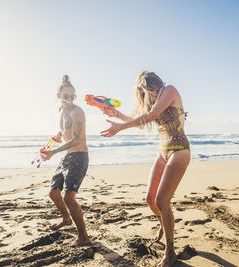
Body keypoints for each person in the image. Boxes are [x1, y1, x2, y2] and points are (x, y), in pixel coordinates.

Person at [101, 71, 190, 267]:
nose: (148, 95)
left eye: (149, 91)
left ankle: (170, 250)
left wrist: (119, 128)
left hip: (179, 150)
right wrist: (118, 115)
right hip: (162, 152)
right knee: (150, 199)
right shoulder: (153, 101)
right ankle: (163, 225)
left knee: (161, 200)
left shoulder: (169, 90)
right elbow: (143, 123)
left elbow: (152, 115)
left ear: (155, 84)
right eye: (144, 93)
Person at [41, 75, 91, 246]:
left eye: (72, 96)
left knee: (69, 198)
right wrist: (58, 135)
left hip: (79, 156)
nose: (69, 99)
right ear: (59, 96)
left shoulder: (77, 112)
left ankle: (83, 237)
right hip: (68, 156)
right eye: (66, 96)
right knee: (53, 192)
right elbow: (65, 129)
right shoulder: (62, 111)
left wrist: (53, 152)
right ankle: (66, 218)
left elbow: (77, 139)